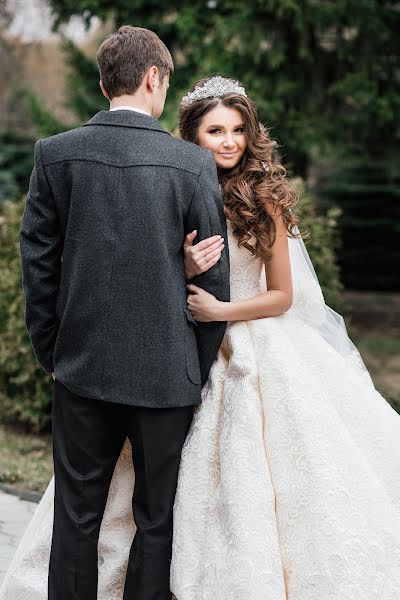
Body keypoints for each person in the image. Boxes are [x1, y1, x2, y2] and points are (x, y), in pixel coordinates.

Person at [2, 74, 400, 600]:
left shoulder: (265, 198)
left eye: (237, 130)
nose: (230, 141)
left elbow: (282, 295)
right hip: (176, 345)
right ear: (192, 136)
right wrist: (183, 266)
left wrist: (221, 308)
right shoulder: (174, 180)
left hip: (251, 342)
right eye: (216, 131)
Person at [2, 30, 229, 600]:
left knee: (76, 516)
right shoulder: (193, 163)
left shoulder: (54, 154)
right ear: (154, 77)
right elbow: (214, 281)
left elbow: (38, 264)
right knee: (156, 519)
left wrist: (54, 352)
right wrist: (192, 368)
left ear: (105, 83)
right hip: (166, 372)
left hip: (82, 366)